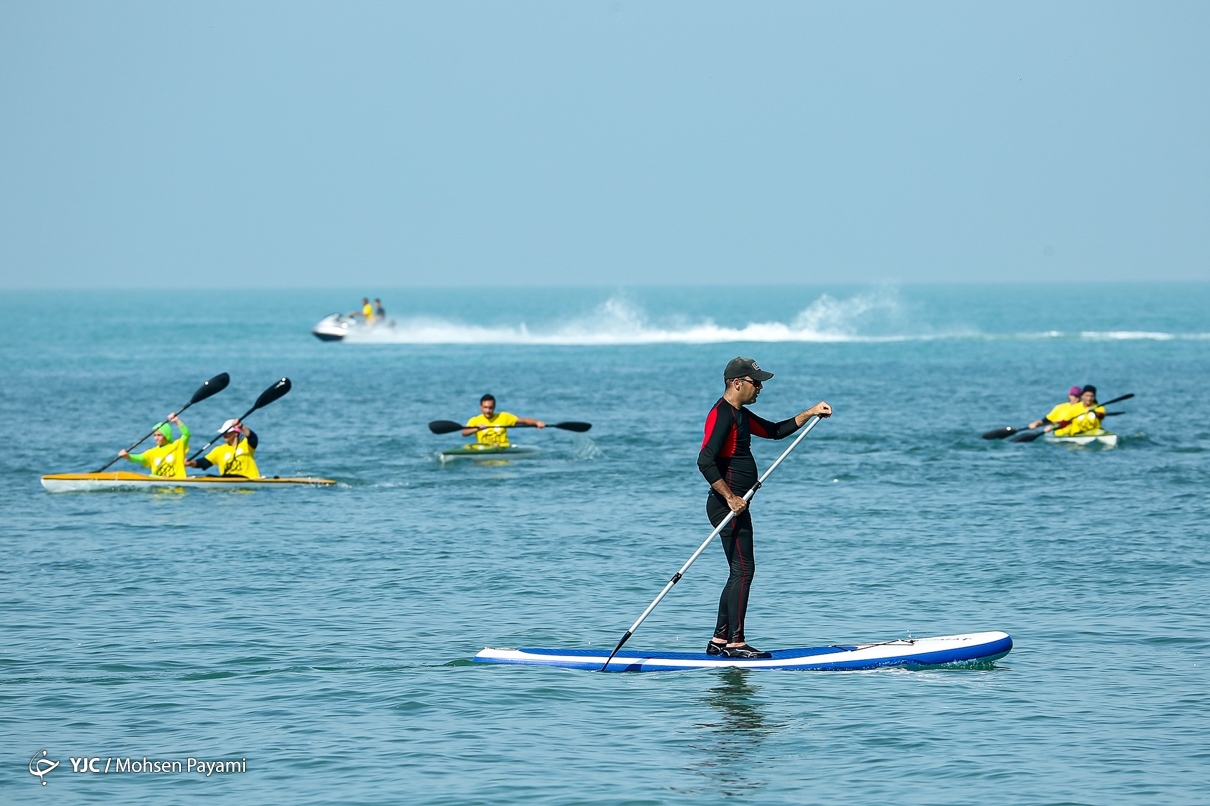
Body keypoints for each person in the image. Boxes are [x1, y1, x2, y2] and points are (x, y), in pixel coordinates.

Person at [697, 357, 832, 659]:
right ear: (737, 383)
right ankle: (736, 643)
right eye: (755, 382)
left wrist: (810, 412)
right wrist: (730, 497)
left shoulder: (740, 414)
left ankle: (720, 639)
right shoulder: (722, 415)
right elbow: (705, 460)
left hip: (734, 506)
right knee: (744, 570)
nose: (760, 388)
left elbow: (774, 431)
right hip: (726, 506)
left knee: (738, 571)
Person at [119, 413, 190, 478]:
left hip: (177, 483)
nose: (156, 438)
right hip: (159, 486)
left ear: (167, 436)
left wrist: (177, 421)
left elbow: (186, 434)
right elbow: (140, 458)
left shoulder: (177, 446)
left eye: (159, 435)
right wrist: (128, 456)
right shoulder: (153, 452)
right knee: (151, 476)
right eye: (154, 435)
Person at [462, 394, 545, 448]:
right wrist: (476, 429)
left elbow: (524, 421)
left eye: (491, 408)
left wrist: (536, 422)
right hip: (485, 451)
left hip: (503, 450)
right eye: (485, 407)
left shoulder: (504, 416)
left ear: (494, 407)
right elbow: (464, 433)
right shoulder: (475, 420)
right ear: (480, 407)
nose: (488, 410)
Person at [185, 419, 261, 478]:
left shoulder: (246, 445)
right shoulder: (219, 450)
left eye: (227, 432)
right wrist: (191, 463)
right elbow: (204, 462)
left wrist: (241, 426)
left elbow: (253, 438)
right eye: (223, 432)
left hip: (248, 481)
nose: (224, 434)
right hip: (228, 484)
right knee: (209, 476)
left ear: (235, 433)